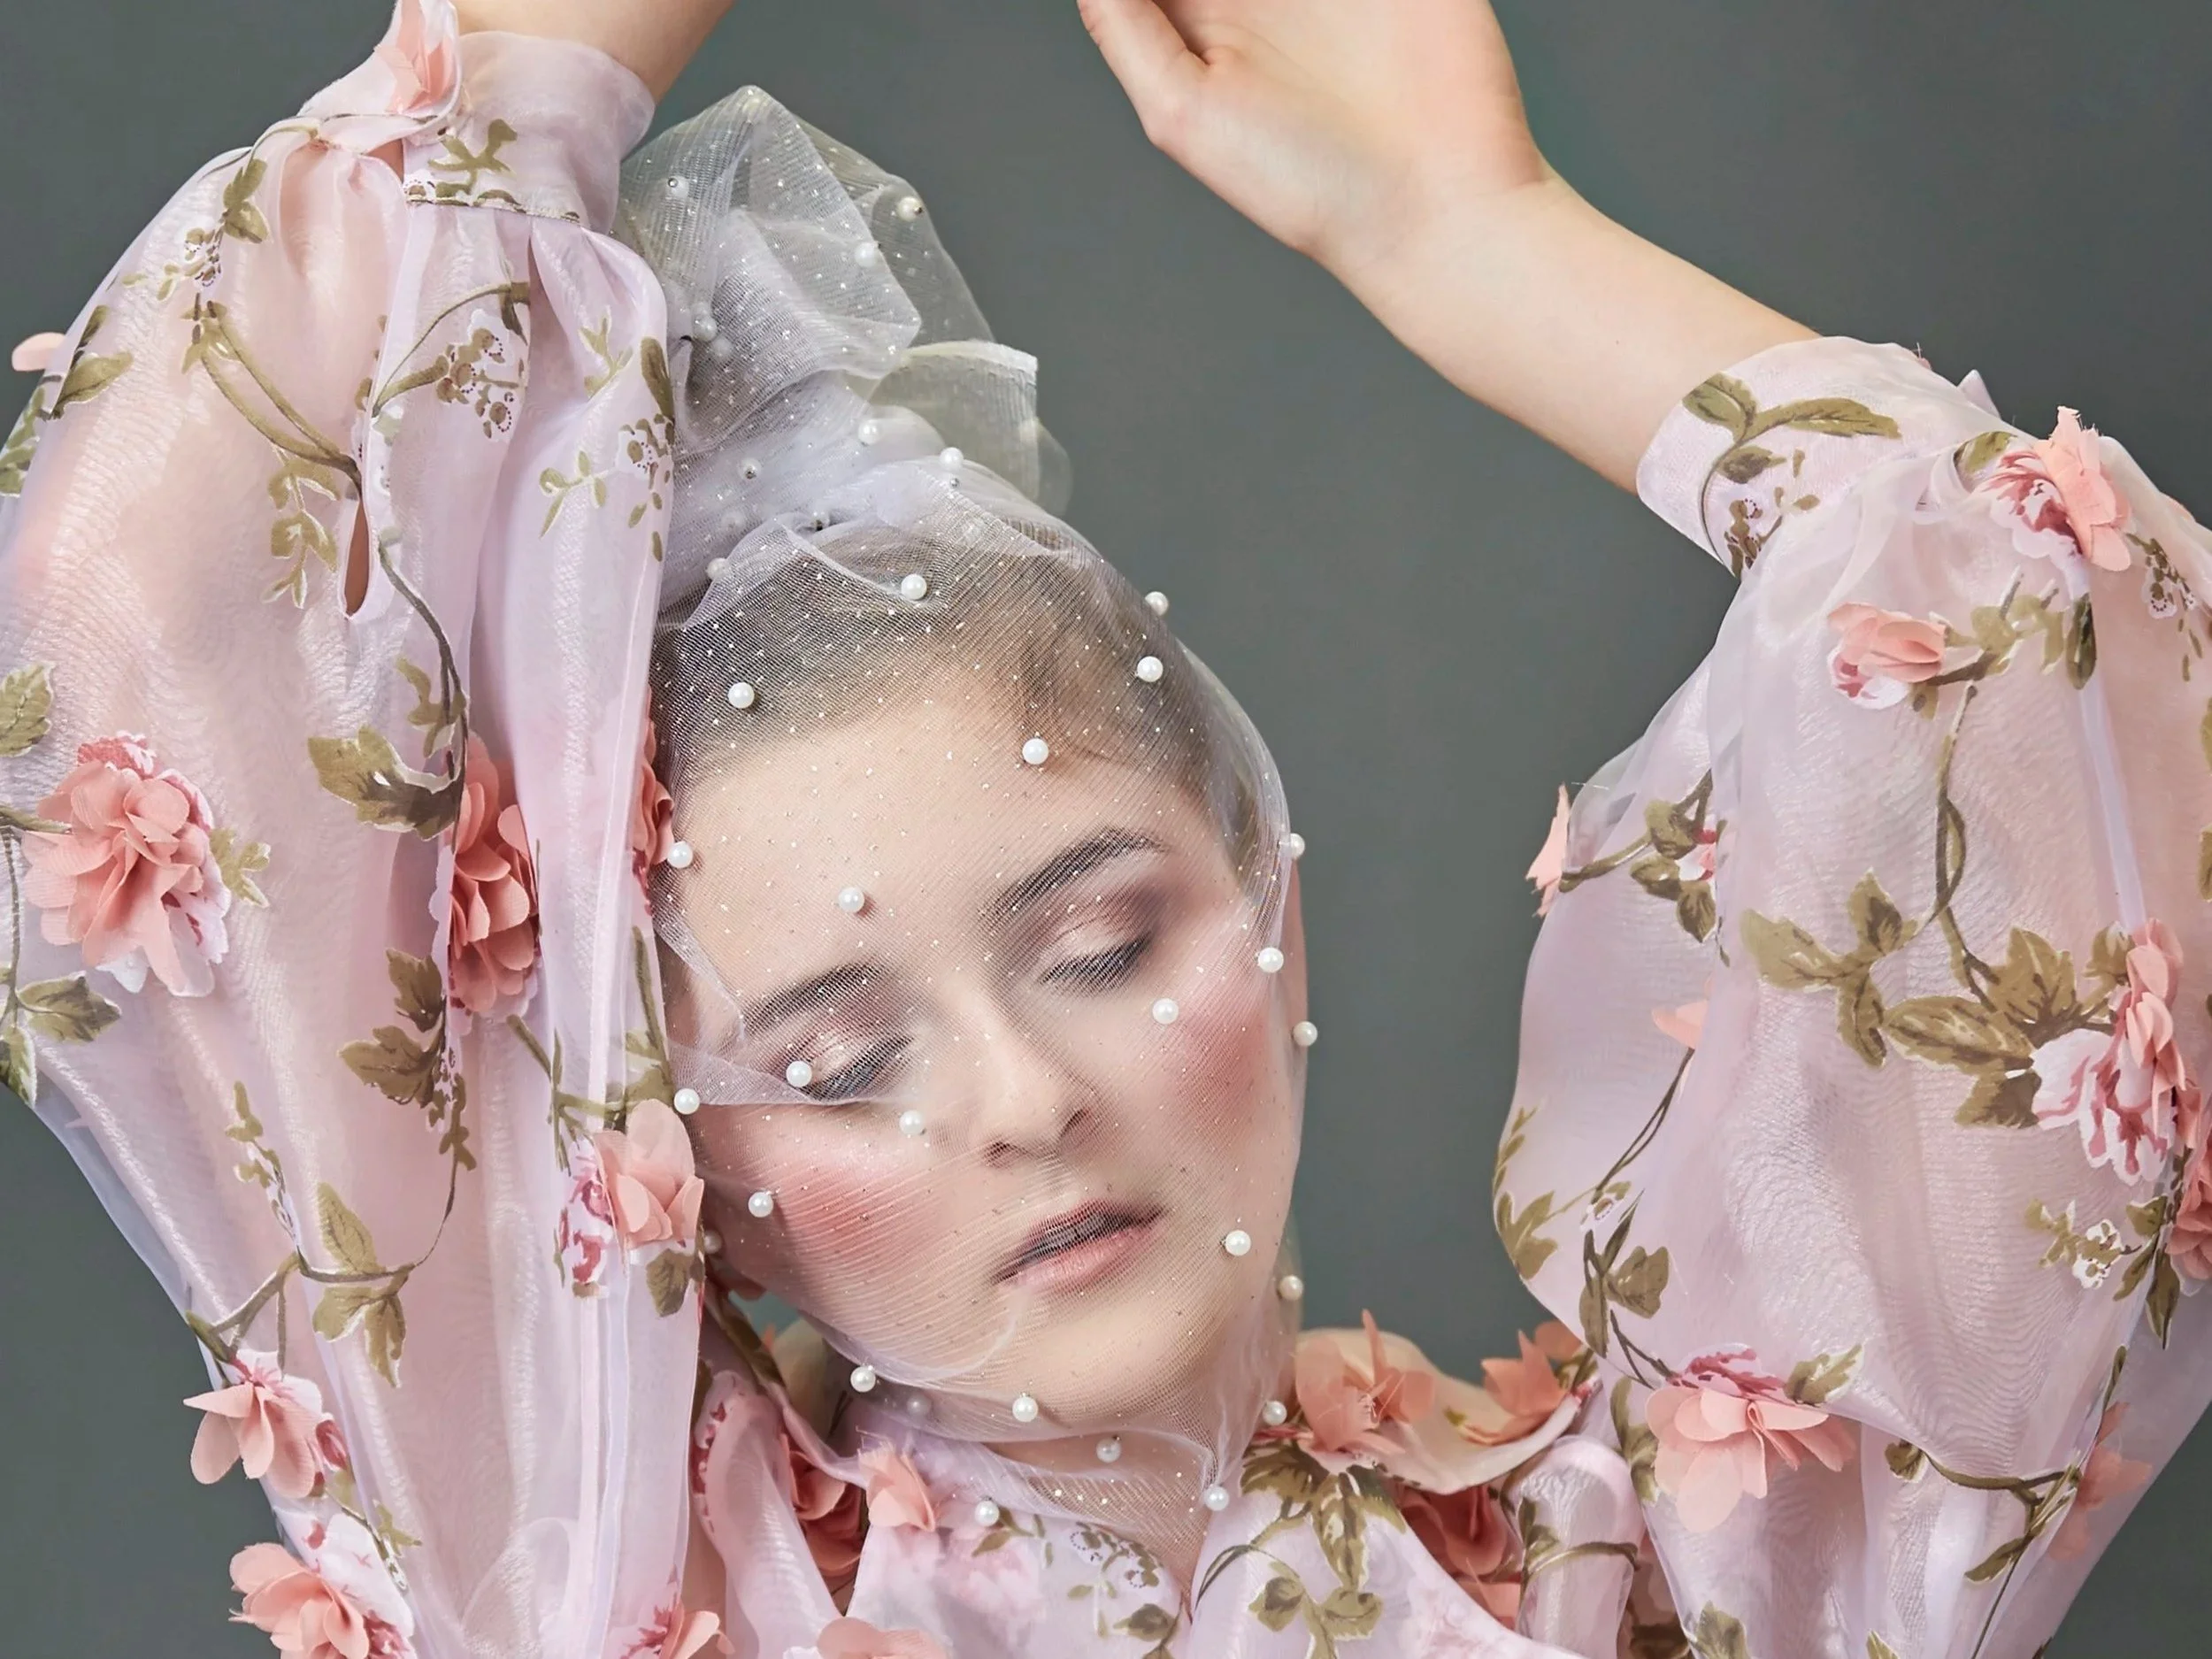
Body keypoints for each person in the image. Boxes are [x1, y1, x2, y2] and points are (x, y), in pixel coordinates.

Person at [0, 5, 2202, 1659]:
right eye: (836, 1058)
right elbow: (135, 602)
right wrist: (538, 53)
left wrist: (1474, 234)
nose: (1031, 1098)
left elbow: (2047, 654)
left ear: (1264, 901)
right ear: (672, 1165)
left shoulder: (1666, 1558)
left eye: (1101, 937)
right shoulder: (598, 1570)